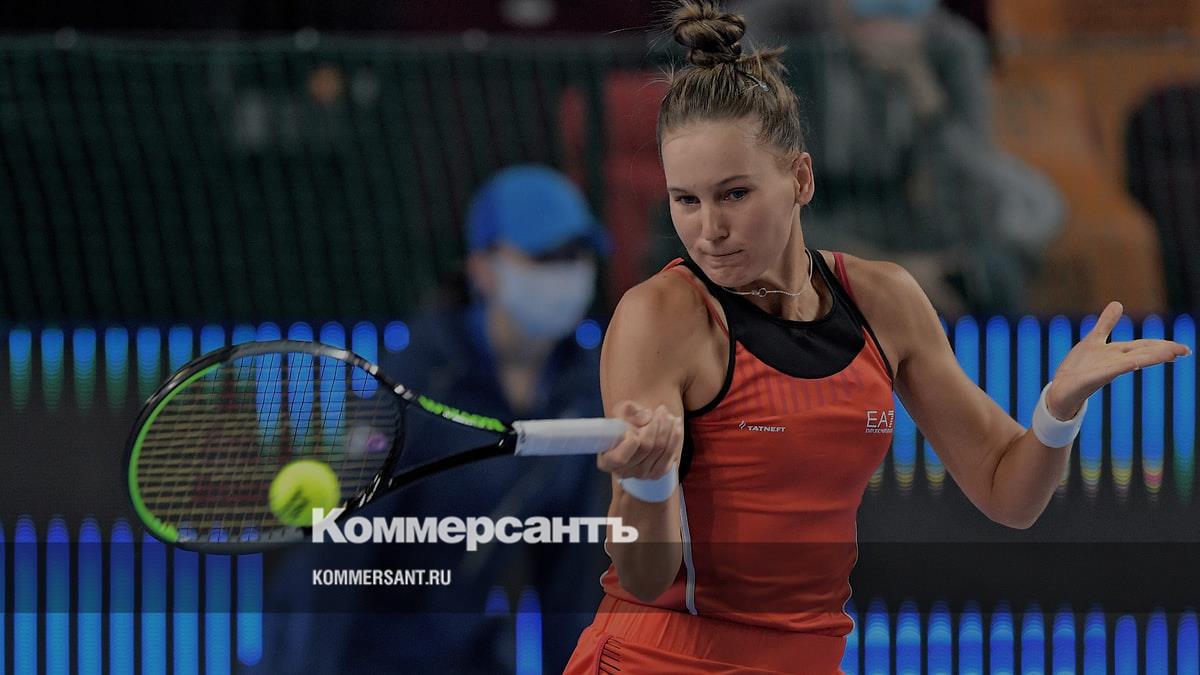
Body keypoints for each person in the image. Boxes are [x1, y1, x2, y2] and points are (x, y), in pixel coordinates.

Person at [563, 2, 1191, 672]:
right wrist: (646, 483)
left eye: (735, 194)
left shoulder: (883, 300)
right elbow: (644, 576)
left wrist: (1058, 409)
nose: (708, 229)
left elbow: (1009, 492)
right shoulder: (659, 316)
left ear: (800, 178)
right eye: (685, 200)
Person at [264, 165, 612, 674]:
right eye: (544, 256)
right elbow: (335, 559)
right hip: (355, 656)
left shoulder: (581, 393)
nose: (566, 273)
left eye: (577, 256)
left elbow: (570, 581)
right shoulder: (415, 380)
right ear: (483, 268)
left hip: (465, 652)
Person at [730, 0, 1064, 316]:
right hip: (818, 230)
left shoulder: (949, 44)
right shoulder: (770, 35)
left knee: (998, 271)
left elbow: (974, 192)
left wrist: (923, 89)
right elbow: (759, 202)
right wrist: (891, 272)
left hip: (914, 227)